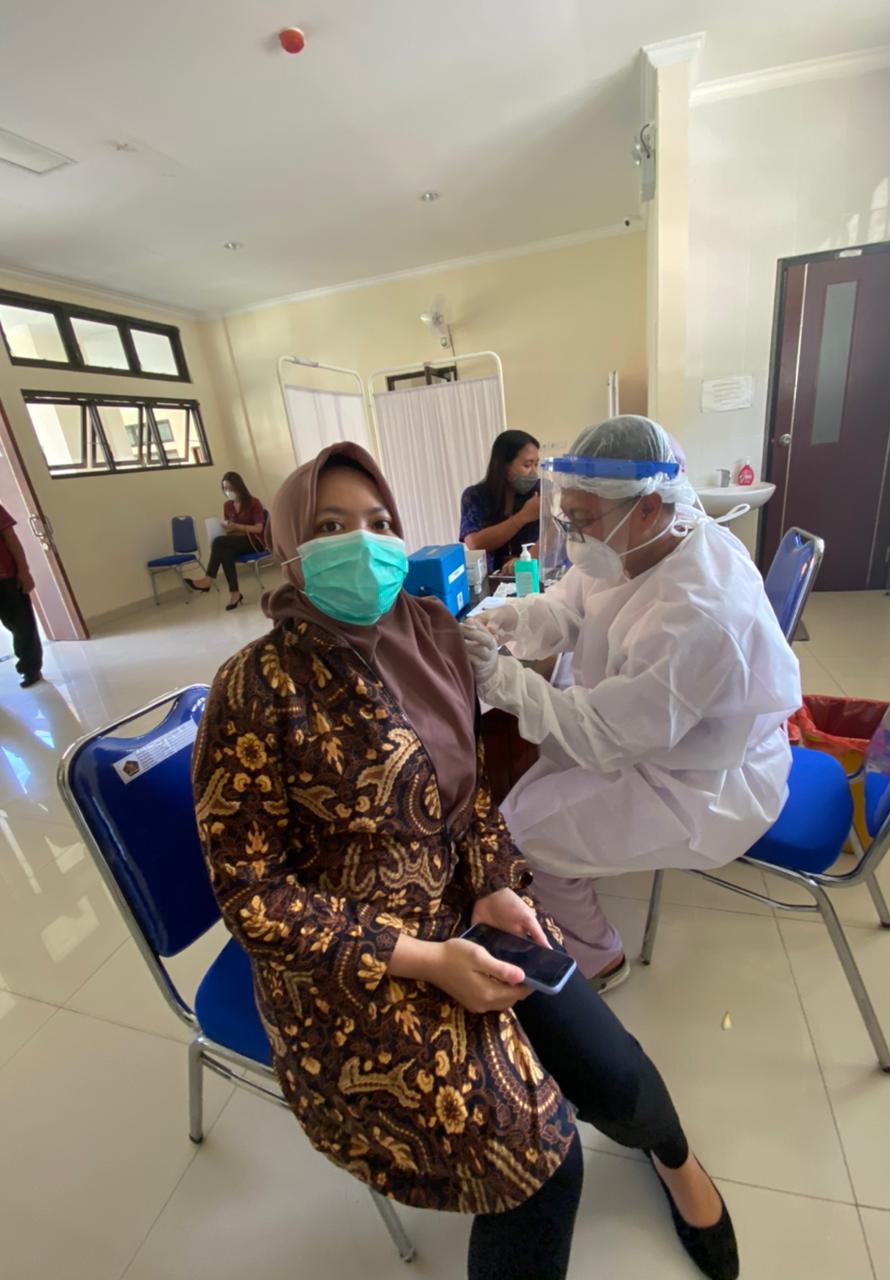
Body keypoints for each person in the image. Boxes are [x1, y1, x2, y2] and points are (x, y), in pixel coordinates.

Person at [192, 441, 739, 1280]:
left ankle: (676, 1161)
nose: (362, 542)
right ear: (291, 544)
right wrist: (423, 959)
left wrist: (490, 888)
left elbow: (470, 796)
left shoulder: (428, 634)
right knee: (545, 1164)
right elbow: (250, 893)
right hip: (357, 972)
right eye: (331, 526)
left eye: (380, 522)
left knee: (611, 1065)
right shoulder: (255, 687)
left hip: (464, 914)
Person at [460, 416, 802, 994]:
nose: (574, 535)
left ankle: (599, 957)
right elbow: (570, 604)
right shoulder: (640, 541)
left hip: (703, 783)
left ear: (648, 506)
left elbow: (602, 734)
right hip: (655, 738)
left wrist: (501, 680)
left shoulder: (697, 609)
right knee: (526, 793)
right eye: (567, 517)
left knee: (521, 836)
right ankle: (563, 887)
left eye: (583, 519)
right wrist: (510, 620)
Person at [460, 430, 540, 574]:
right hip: (492, 579)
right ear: (504, 466)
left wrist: (527, 559)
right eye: (527, 465)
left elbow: (556, 533)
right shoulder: (474, 496)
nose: (534, 473)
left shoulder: (541, 491)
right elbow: (475, 544)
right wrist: (523, 517)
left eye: (536, 464)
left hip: (533, 575)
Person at [188, 471, 265, 610]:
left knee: (218, 542)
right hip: (236, 541)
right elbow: (230, 528)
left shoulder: (253, 502)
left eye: (230, 488)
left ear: (239, 486)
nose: (228, 491)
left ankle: (208, 579)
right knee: (226, 552)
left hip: (254, 542)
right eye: (225, 488)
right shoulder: (227, 506)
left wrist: (237, 526)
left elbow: (259, 528)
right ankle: (235, 594)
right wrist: (226, 528)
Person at [0, 502, 43, 689]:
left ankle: (30, 668)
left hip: (6, 578)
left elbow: (11, 538)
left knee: (22, 625)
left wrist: (24, 571)